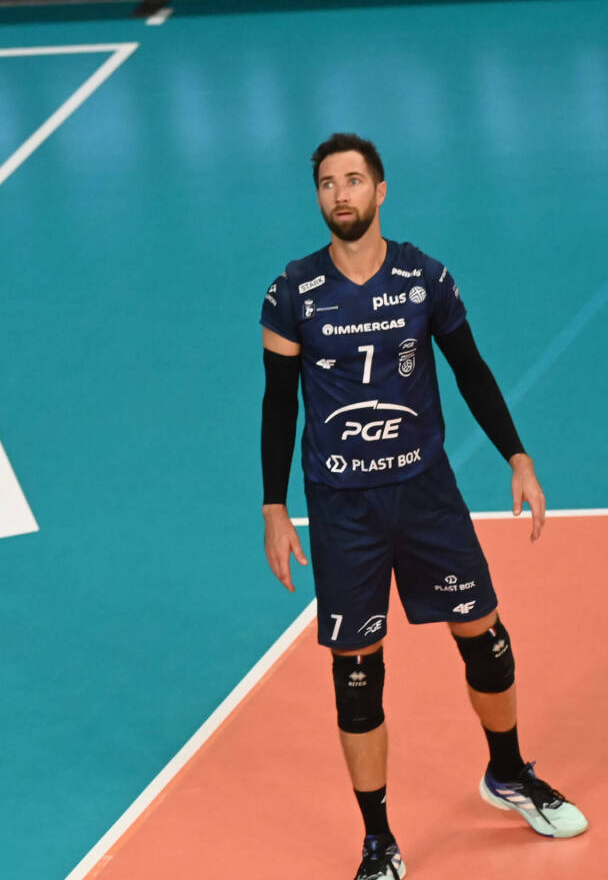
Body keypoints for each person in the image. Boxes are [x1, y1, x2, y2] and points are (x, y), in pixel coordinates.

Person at [259, 133, 587, 880]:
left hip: (426, 495)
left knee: (486, 639)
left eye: (353, 180)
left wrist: (517, 455)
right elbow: (279, 405)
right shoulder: (292, 293)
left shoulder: (423, 278)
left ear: (380, 191)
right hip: (343, 506)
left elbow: (469, 368)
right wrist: (274, 507)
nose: (340, 194)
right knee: (357, 673)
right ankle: (378, 840)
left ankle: (508, 774)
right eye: (327, 183)